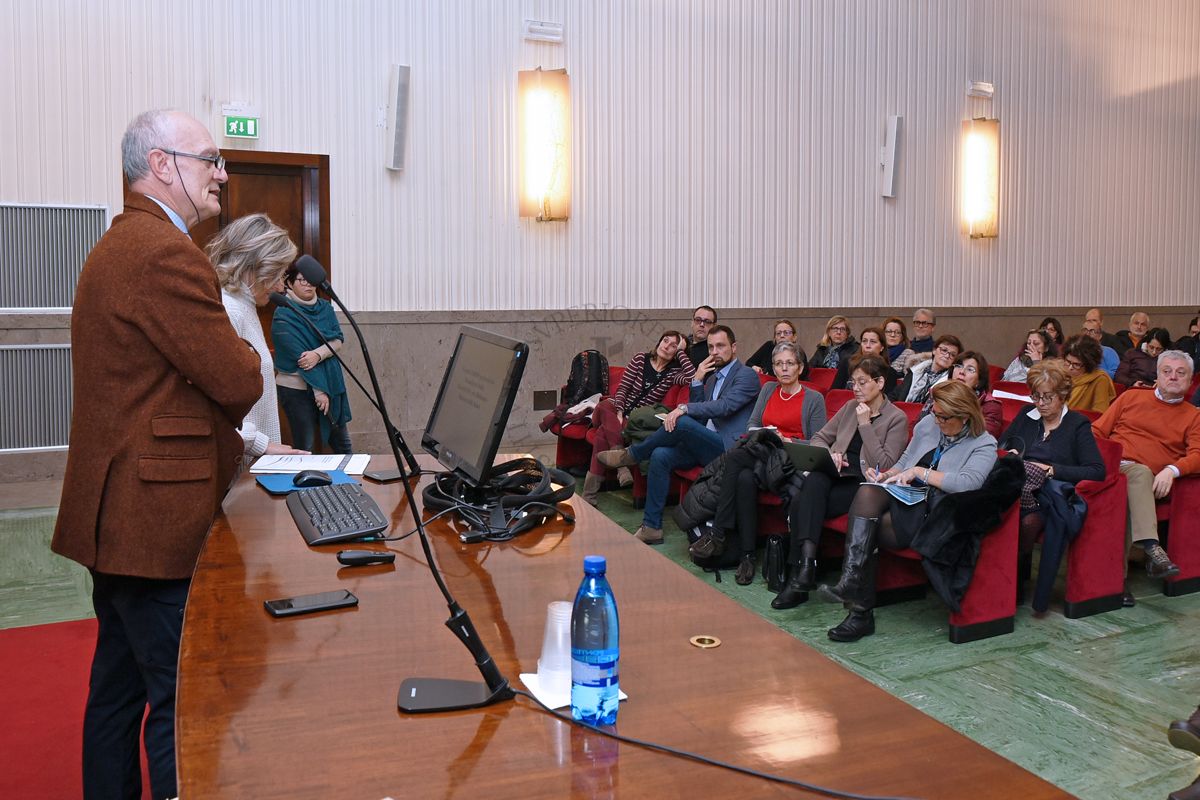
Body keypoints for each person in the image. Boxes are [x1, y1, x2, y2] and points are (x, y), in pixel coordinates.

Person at [50, 109, 264, 800]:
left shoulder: (125, 242)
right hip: (154, 521)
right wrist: (238, 366)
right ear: (163, 165)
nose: (223, 176)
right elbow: (237, 378)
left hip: (122, 515)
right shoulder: (163, 253)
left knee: (116, 693)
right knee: (180, 702)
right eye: (211, 160)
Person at [816, 381, 998, 641]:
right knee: (868, 491)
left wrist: (920, 473)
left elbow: (968, 483)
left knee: (869, 525)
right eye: (935, 414)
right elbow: (905, 462)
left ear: (965, 416)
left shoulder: (983, 443)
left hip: (935, 510)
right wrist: (886, 475)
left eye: (944, 418)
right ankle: (851, 587)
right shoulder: (928, 425)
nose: (937, 422)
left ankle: (858, 610)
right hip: (904, 495)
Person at [597, 325, 760, 544]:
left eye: (720, 346)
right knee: (660, 455)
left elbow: (725, 407)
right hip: (705, 444)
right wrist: (697, 380)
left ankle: (633, 454)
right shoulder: (711, 378)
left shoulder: (746, 375)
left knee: (682, 421)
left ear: (734, 347)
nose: (714, 352)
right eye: (711, 347)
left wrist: (683, 409)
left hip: (727, 448)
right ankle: (652, 527)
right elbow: (700, 413)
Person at [770, 357, 908, 609]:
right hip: (837, 474)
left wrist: (866, 425)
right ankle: (807, 567)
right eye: (853, 382)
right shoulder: (849, 407)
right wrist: (832, 454)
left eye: (862, 382)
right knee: (815, 481)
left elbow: (886, 463)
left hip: (864, 484)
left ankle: (800, 576)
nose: (855, 388)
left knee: (803, 499)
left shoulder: (896, 418)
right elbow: (820, 437)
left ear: (880, 383)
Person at [687, 342, 827, 583]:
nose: (784, 369)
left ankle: (719, 532)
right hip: (762, 454)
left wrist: (786, 440)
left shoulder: (813, 398)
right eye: (778, 364)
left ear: (801, 367)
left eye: (790, 363)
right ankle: (747, 556)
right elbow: (751, 425)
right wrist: (768, 433)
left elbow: (818, 442)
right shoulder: (769, 389)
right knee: (742, 478)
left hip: (789, 462)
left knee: (736, 457)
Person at [998, 360, 1104, 602]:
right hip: (1016, 486)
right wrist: (1012, 454)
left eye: (1048, 397)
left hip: (1046, 496)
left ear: (1063, 394)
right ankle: (998, 577)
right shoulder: (1027, 414)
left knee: (1027, 521)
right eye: (1036, 396)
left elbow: (1096, 470)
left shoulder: (1077, 424)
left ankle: (1016, 578)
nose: (1041, 403)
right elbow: (1002, 446)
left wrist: (1051, 470)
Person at [1092, 350, 1200, 581]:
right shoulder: (1131, 397)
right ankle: (1152, 548)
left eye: (1181, 373)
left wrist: (1172, 471)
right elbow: (1097, 431)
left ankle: (1116, 584)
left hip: (1149, 480)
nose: (1173, 377)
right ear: (1157, 376)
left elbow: (1198, 455)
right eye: (1167, 371)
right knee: (1136, 476)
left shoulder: (1194, 416)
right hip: (1112, 466)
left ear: (1190, 382)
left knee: (1135, 482)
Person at [209, 214, 308, 459]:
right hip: (240, 459)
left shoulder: (245, 305)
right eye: (278, 274)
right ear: (254, 267)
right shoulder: (229, 310)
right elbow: (215, 407)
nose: (281, 287)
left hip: (255, 456)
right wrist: (258, 444)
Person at [580, 330, 695, 504]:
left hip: (632, 419)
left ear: (677, 354)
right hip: (613, 409)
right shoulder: (640, 359)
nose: (667, 346)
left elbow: (693, 378)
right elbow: (623, 389)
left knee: (603, 434)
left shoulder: (673, 374)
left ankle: (589, 496)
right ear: (658, 342)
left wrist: (680, 352)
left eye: (674, 346)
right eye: (665, 340)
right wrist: (619, 410)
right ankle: (621, 465)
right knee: (605, 406)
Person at [273, 267, 354, 454]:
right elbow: (300, 357)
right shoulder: (283, 313)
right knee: (305, 446)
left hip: (330, 384)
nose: (308, 284)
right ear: (290, 283)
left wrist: (318, 354)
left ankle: (351, 482)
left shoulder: (325, 308)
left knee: (343, 444)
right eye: (302, 280)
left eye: (311, 280)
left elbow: (337, 340)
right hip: (296, 389)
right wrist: (319, 390)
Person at [939, 350, 1003, 438]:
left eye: (970, 369)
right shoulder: (938, 394)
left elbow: (982, 440)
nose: (962, 371)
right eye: (959, 366)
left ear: (979, 381)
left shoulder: (990, 406)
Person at [894, 334, 962, 403]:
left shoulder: (951, 382)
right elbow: (895, 395)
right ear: (934, 350)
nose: (947, 356)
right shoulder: (915, 370)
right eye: (944, 350)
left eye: (953, 355)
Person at [833, 326, 897, 395]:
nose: (868, 345)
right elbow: (834, 393)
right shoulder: (848, 363)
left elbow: (887, 401)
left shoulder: (890, 372)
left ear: (882, 347)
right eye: (864, 341)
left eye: (873, 342)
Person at [1061, 335, 1116, 413]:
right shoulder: (1060, 372)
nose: (1070, 367)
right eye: (1068, 361)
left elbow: (1099, 413)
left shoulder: (1100, 379)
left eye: (1076, 364)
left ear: (1088, 364)